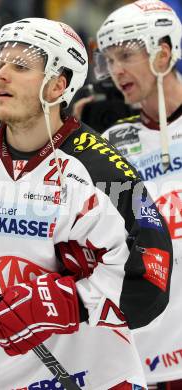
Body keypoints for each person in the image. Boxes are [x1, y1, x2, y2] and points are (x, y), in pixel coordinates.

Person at [0, 17, 173, 390]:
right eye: (0, 63)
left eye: (20, 66)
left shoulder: (101, 170)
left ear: (58, 85)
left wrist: (66, 301)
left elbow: (150, 282)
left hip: (89, 377)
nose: (1, 74)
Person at [96, 1, 182, 389]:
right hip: (144, 350)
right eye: (110, 60)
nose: (116, 70)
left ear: (163, 52)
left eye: (127, 55)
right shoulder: (111, 144)